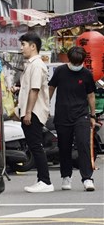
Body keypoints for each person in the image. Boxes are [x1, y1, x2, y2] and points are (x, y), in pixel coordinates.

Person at [48, 46, 96, 191]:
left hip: (81, 114)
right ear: (69, 60)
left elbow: (91, 95)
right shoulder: (61, 71)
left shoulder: (87, 74)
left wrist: (92, 115)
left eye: (79, 64)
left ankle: (87, 178)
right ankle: (66, 176)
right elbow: (51, 88)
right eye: (74, 63)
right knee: (64, 147)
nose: (76, 66)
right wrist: (46, 107)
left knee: (83, 144)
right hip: (62, 114)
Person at [17, 31, 54, 193]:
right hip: (30, 111)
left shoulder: (37, 65)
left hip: (34, 112)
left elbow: (34, 90)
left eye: (24, 44)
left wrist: (29, 112)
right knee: (35, 146)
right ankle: (42, 180)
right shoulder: (32, 64)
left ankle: (45, 181)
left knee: (36, 146)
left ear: (33, 46)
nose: (21, 48)